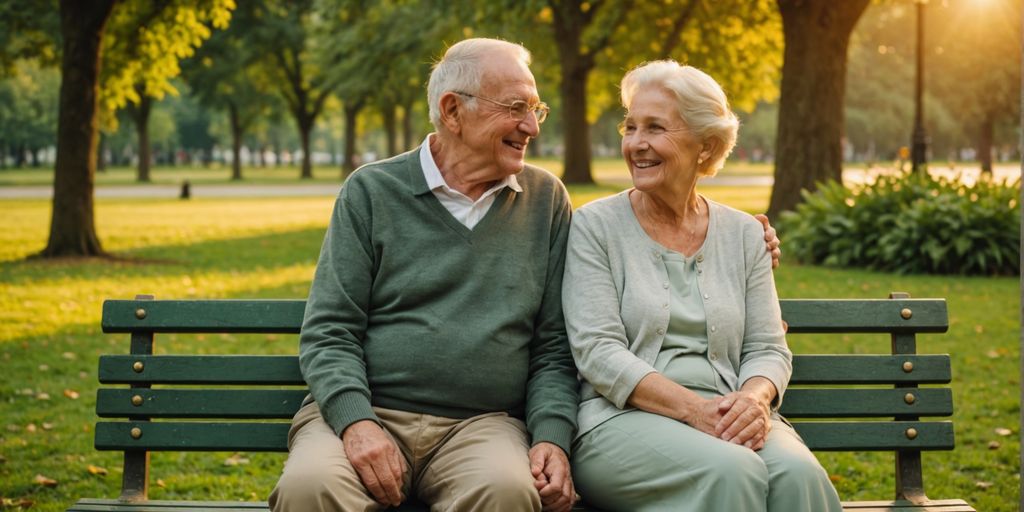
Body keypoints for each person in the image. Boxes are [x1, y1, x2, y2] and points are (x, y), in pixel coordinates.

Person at [269, 38, 579, 512]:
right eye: (516, 107)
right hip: (370, 412)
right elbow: (330, 330)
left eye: (536, 109)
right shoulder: (372, 190)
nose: (531, 126)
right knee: (310, 487)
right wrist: (357, 423)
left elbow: (554, 345)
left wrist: (552, 436)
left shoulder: (545, 200)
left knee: (507, 493)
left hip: (482, 425)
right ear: (452, 110)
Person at [561, 60, 841, 512]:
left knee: (799, 476)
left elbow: (769, 347)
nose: (636, 144)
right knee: (733, 470)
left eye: (655, 128)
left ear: (705, 147)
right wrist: (696, 411)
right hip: (620, 420)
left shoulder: (745, 234)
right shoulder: (596, 226)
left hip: (730, 414)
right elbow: (598, 351)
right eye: (630, 126)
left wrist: (753, 400)